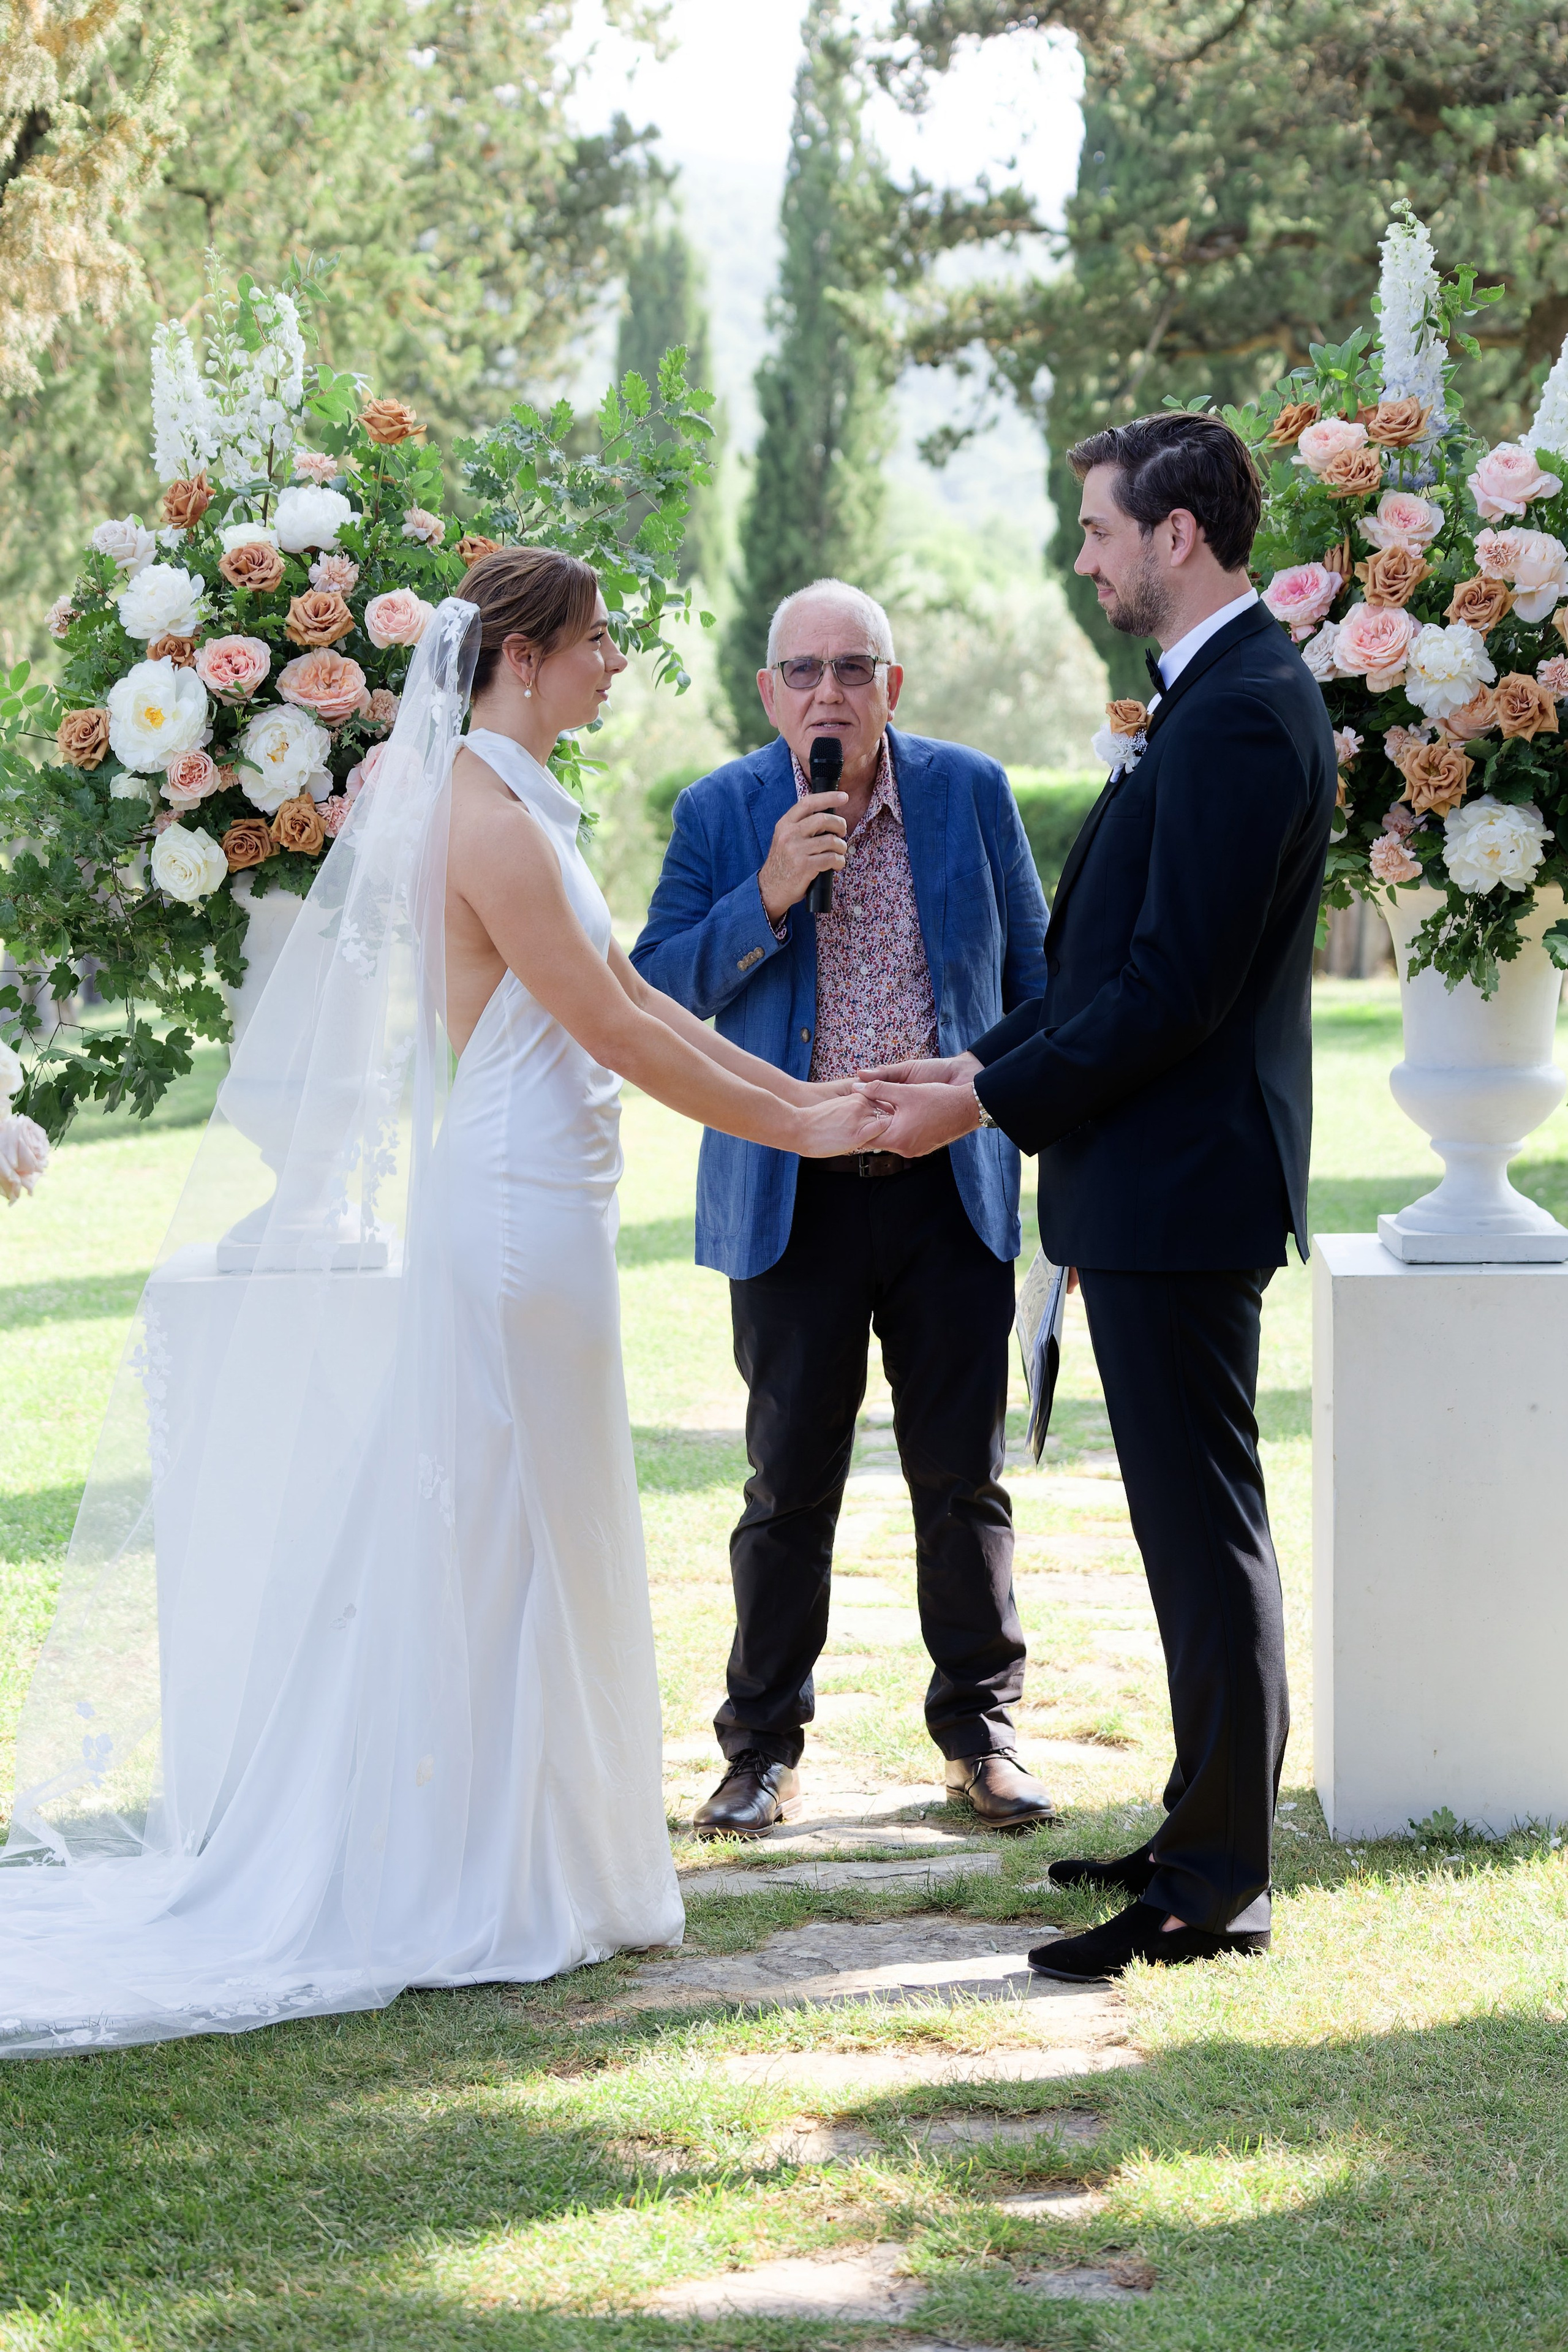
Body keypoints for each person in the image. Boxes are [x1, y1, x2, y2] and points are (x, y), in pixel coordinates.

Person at [0, 552, 893, 2055]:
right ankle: (485, 1869)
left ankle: (546, 1851)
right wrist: (800, 1130)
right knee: (505, 1529)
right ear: (525, 658)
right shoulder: (483, 817)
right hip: (512, 1210)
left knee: (536, 1521)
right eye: (598, 642)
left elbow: (645, 996)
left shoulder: (524, 800)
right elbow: (604, 1022)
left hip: (556, 1193)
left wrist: (803, 1092)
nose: (616, 664)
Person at [864, 413, 1336, 1975]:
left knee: (1204, 1534)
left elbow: (1173, 993)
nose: (1081, 557)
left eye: (1096, 529)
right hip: (1148, 1179)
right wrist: (967, 1069)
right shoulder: (1206, 702)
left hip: (1185, 1184)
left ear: (1176, 534)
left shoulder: (1242, 716)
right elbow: (1091, 974)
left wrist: (986, 1099)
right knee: (1179, 1530)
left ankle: (1215, 1887)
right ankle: (1199, 1830)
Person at [633, 577, 1056, 1838]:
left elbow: (1041, 986)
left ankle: (981, 1733)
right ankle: (759, 1748)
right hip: (789, 1198)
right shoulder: (720, 809)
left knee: (962, 1479)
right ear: (767, 692)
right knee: (786, 1484)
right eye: (804, 671)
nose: (829, 692)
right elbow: (653, 991)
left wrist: (1021, 1122)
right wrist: (764, 895)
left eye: (853, 669)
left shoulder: (969, 792)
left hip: (949, 1188)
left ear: (892, 685)